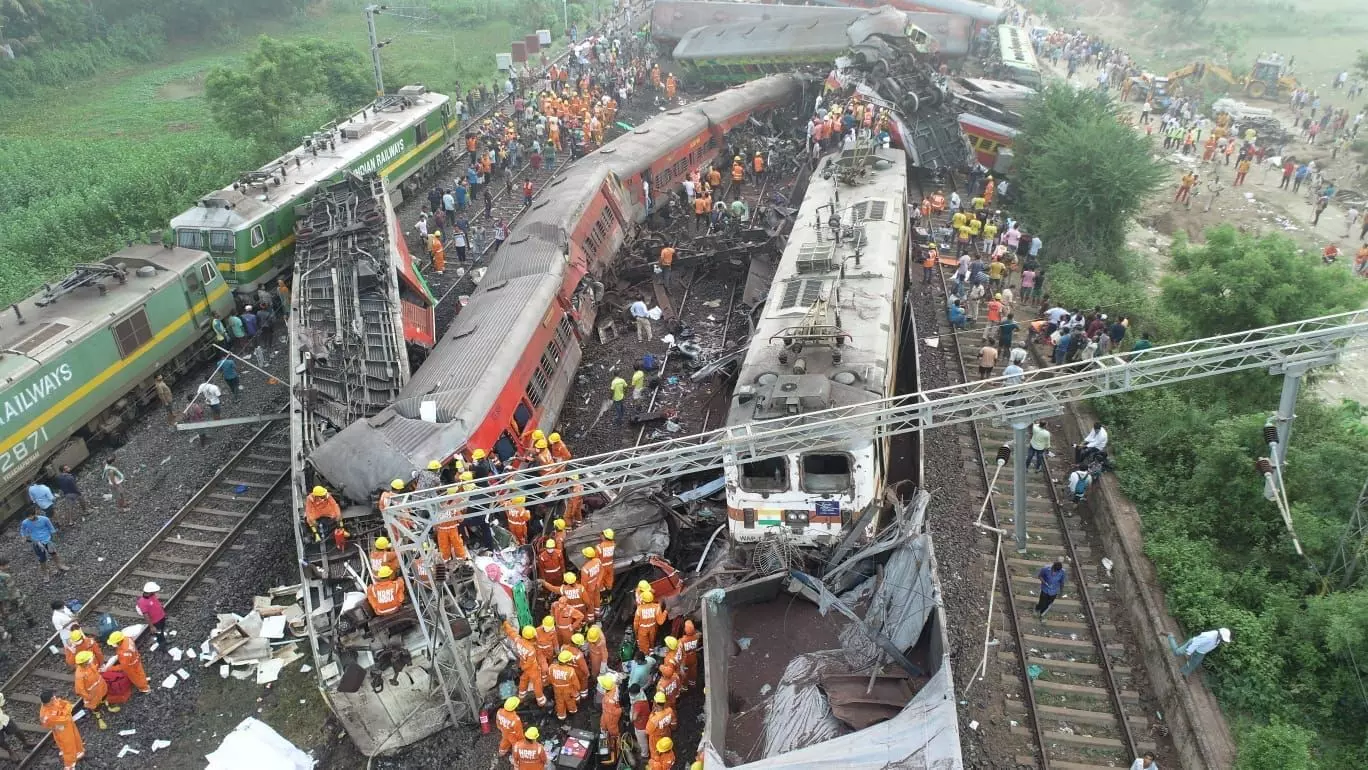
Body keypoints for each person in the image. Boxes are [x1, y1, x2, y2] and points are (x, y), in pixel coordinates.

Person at [38, 691, 83, 770]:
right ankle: (69, 765)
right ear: (48, 702)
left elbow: (67, 703)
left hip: (65, 726)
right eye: (53, 699)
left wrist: (65, 712)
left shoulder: (53, 702)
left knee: (75, 737)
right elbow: (65, 718)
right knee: (68, 745)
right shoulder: (47, 714)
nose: (55, 699)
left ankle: (79, 751)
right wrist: (67, 712)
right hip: (62, 730)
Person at [20, 508, 68, 581]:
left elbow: (51, 529)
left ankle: (60, 565)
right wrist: (23, 536)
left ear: (35, 513)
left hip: (47, 540)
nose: (30, 518)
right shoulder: (25, 522)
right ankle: (45, 573)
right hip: (36, 542)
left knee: (54, 554)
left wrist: (53, 539)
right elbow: (22, 530)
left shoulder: (44, 519)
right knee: (42, 559)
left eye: (31, 516)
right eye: (28, 517)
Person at [74, 650, 116, 729]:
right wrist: (88, 697)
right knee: (95, 706)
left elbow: (95, 671)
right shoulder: (79, 676)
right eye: (88, 659)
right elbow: (80, 690)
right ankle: (99, 717)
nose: (90, 660)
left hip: (101, 687)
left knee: (104, 696)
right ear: (83, 663)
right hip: (93, 694)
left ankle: (108, 706)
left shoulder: (89, 664)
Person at [1166, 627, 1231, 676]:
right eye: (1222, 638)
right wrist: (1188, 653)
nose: (1222, 640)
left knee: (1193, 664)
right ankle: (1170, 636)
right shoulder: (1209, 636)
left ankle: (1182, 674)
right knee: (1177, 653)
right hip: (1192, 644)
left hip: (1200, 652)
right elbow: (1196, 643)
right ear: (1219, 634)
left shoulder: (1218, 639)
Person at [549, 649, 583, 720]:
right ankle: (572, 711)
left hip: (556, 689)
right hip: (568, 690)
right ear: (567, 661)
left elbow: (550, 679)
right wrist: (578, 689)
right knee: (570, 701)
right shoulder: (570, 671)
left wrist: (555, 684)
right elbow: (576, 683)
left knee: (559, 702)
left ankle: (561, 716)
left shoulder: (551, 667)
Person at [136, 582, 169, 646]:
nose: (155, 592)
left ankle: (164, 641)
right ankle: (162, 646)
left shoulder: (152, 595)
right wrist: (151, 626)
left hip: (161, 617)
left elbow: (157, 603)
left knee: (162, 630)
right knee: (158, 633)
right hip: (156, 621)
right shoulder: (142, 602)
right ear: (150, 591)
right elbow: (145, 615)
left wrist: (163, 612)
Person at [634, 590, 666, 654]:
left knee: (643, 645)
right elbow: (660, 622)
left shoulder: (639, 609)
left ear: (643, 600)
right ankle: (652, 652)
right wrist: (665, 612)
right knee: (652, 641)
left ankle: (646, 654)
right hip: (652, 628)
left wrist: (636, 632)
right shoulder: (657, 607)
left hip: (642, 629)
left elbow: (636, 623)